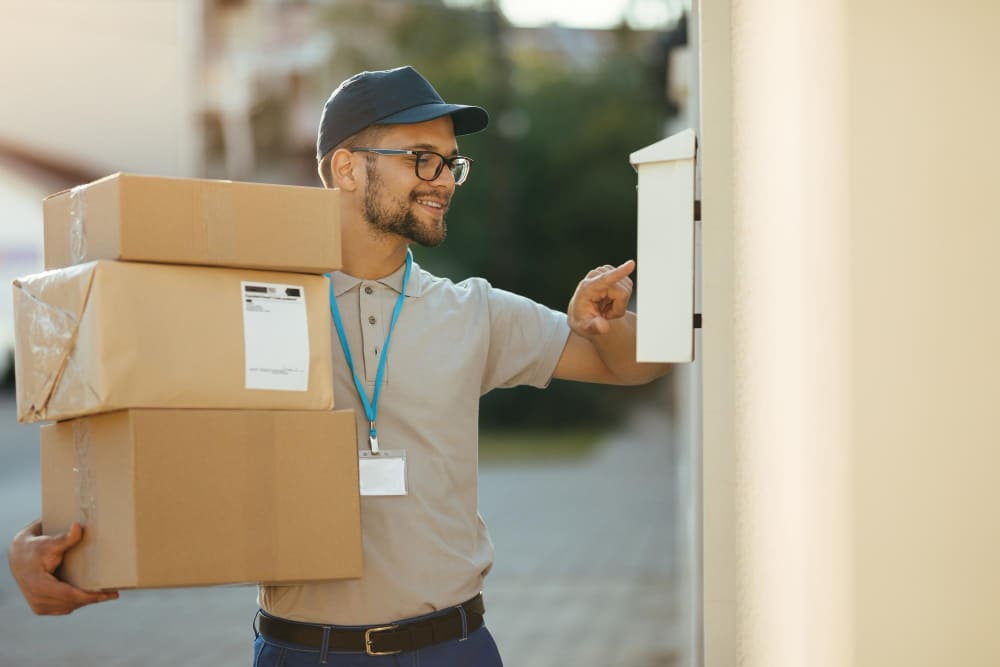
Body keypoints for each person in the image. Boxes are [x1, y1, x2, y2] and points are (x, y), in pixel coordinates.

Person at [8, 65, 670, 665]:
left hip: (454, 647)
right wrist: (37, 541)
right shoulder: (248, 303)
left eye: (450, 164)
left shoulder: (475, 311)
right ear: (349, 168)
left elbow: (635, 366)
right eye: (422, 159)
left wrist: (603, 323)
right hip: (305, 652)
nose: (443, 181)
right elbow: (132, 423)